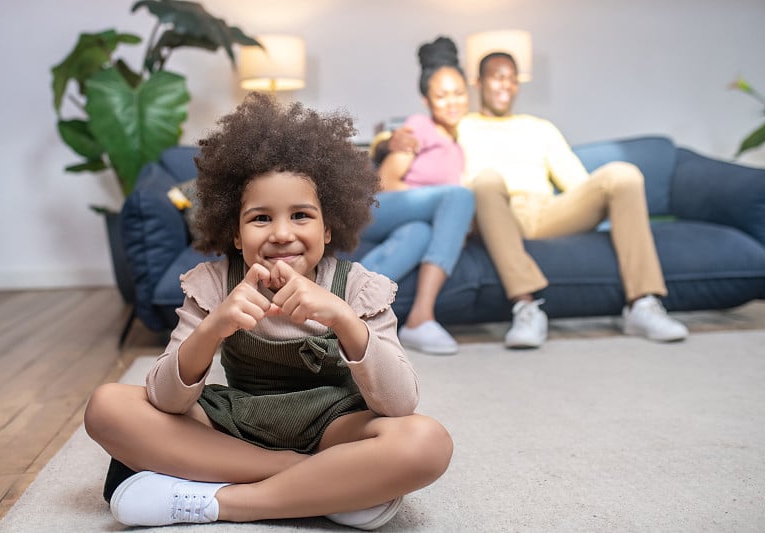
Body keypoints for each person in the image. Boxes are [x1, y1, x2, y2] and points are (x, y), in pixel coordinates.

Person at [84, 93, 453, 530]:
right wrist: (214, 326)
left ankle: (224, 502)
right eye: (260, 218)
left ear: (328, 226)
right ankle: (324, 487)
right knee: (107, 406)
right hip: (236, 422)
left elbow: (399, 403)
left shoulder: (359, 287)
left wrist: (344, 320)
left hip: (332, 429)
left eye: (301, 215)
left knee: (426, 441)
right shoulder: (213, 283)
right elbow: (166, 399)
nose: (282, 234)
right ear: (235, 233)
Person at [389, 51, 688, 349]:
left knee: (623, 174)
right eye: (496, 77)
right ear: (478, 83)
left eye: (511, 79)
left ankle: (642, 304)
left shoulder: (540, 127)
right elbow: (415, 137)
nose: (504, 85)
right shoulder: (460, 125)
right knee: (486, 180)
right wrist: (385, 142)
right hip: (495, 211)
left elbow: (579, 184)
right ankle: (527, 308)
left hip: (548, 211)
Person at [358, 36, 474, 355]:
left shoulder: (461, 138)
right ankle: (422, 317)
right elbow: (385, 182)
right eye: (442, 95)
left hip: (409, 220)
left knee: (419, 234)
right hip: (377, 209)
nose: (452, 102)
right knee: (460, 198)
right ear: (426, 100)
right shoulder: (418, 128)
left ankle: (344, 308)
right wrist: (440, 205)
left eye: (458, 93)